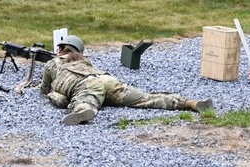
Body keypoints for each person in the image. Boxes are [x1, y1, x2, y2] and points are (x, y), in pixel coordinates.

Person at [39, 35, 214, 125]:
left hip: (86, 84)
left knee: (86, 98)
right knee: (146, 99)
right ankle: (190, 103)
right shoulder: (85, 60)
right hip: (107, 81)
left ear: (61, 49)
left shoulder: (53, 63)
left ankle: (84, 111)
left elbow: (44, 90)